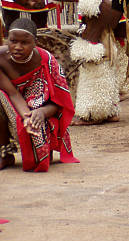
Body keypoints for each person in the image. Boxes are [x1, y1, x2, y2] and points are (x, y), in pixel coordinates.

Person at [6, 0, 129, 125]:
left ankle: (93, 113)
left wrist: (104, 25)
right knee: (94, 44)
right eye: (26, 4)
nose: (32, 3)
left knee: (89, 47)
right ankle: (109, 109)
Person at [0, 18, 79, 171]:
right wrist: (27, 116)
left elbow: (60, 102)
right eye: (13, 41)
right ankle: (5, 153)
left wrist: (40, 113)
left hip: (42, 111)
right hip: (15, 108)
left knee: (40, 154)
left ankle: (43, 146)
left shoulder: (47, 61)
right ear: (6, 39)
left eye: (25, 43)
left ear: (35, 42)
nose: (17, 47)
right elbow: (13, 93)